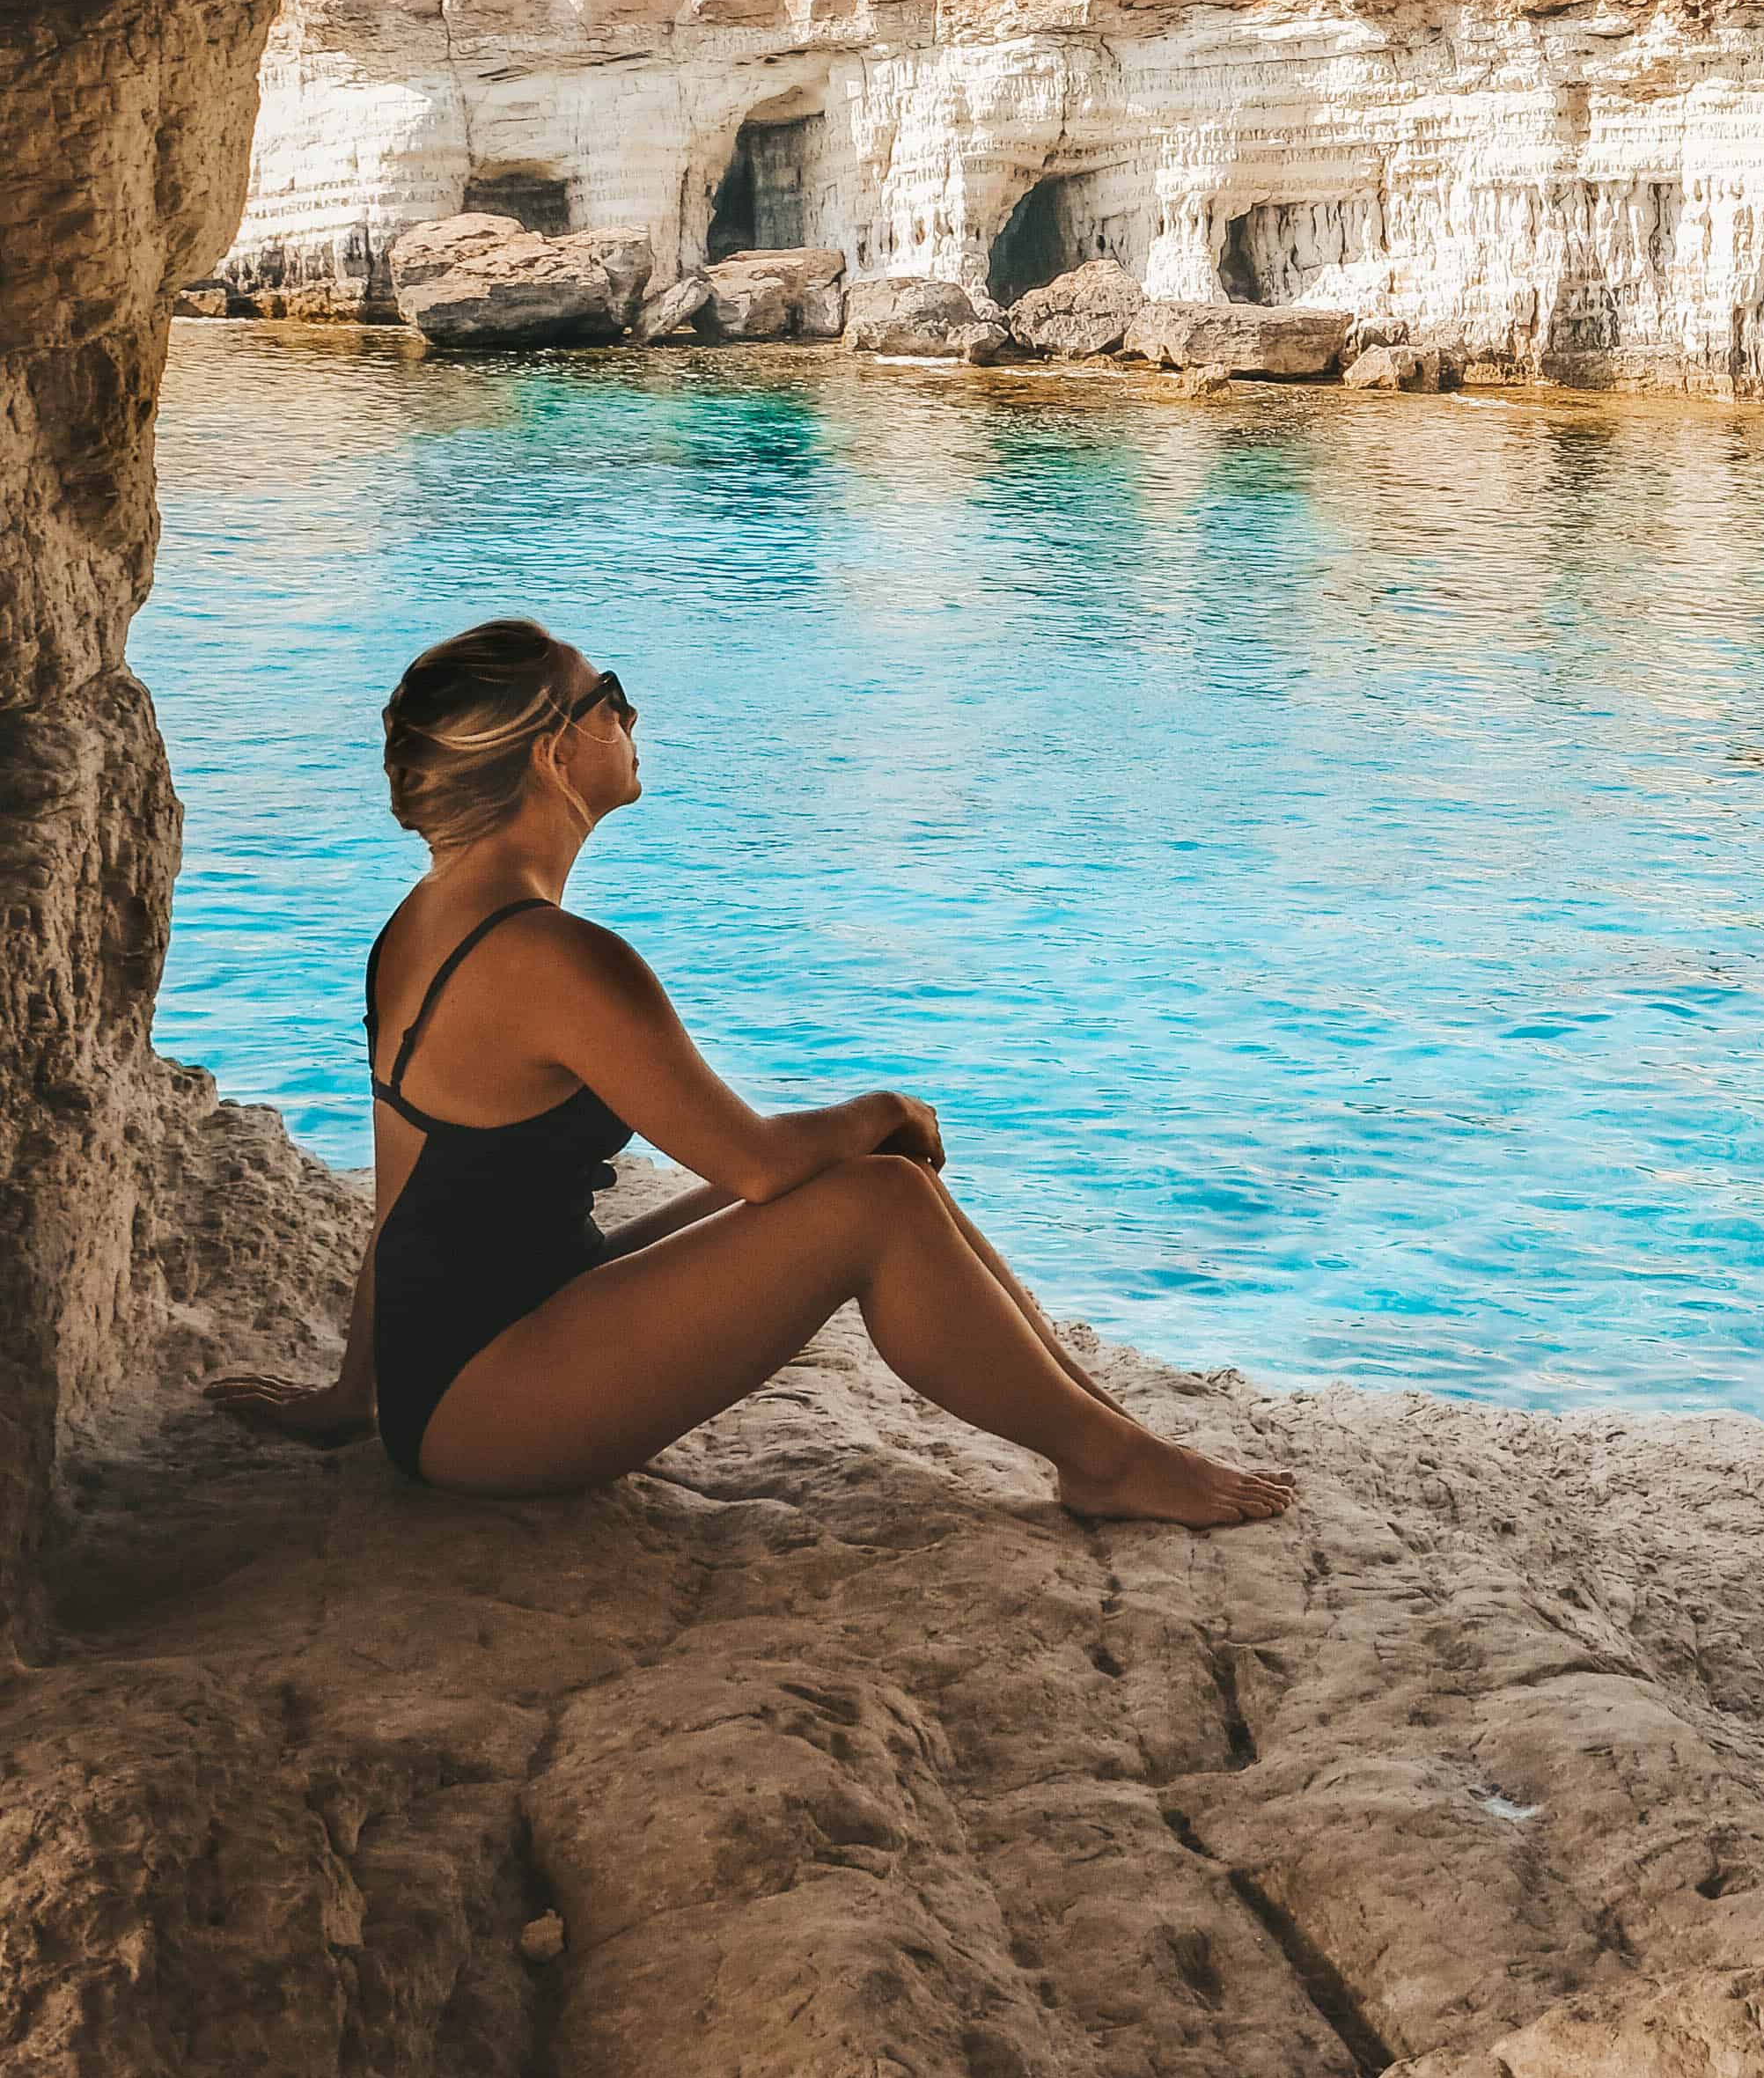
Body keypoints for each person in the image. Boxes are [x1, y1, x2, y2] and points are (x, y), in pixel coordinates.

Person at [212, 615, 1294, 1531]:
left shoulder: (424, 920)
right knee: (872, 1200)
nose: (630, 719)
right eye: (609, 697)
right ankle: (1105, 1463)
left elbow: (404, 1188)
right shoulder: (557, 956)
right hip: (487, 1407)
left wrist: (356, 1392)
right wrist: (881, 1106)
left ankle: (1108, 1443)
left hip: (448, 1367)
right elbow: (763, 1167)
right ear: (552, 752)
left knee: (883, 1178)